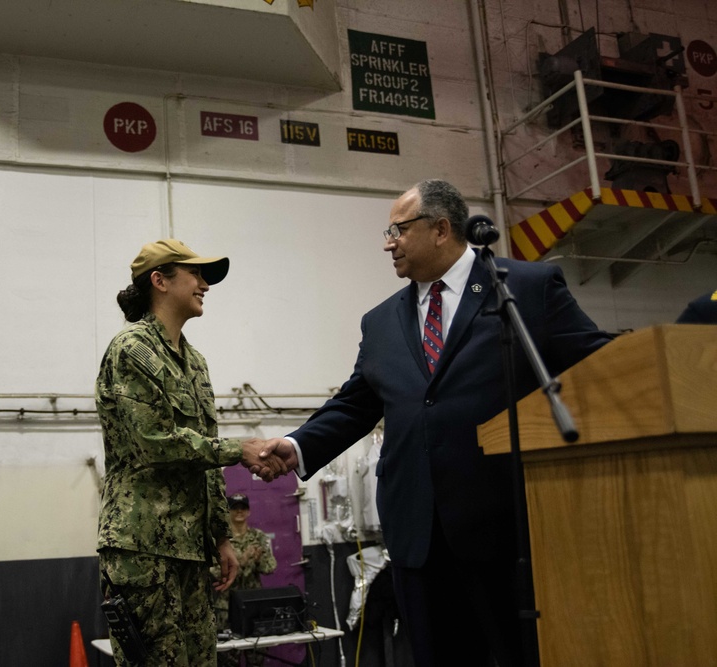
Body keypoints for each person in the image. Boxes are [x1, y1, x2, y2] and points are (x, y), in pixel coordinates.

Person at [257, 180, 613, 667]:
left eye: (398, 230)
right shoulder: (380, 322)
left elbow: (597, 366)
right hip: (417, 534)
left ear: (442, 228)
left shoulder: (524, 289)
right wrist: (296, 446)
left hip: (507, 527)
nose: (388, 243)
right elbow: (358, 403)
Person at [96, 239, 286, 666]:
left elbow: (204, 461)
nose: (205, 285)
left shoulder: (194, 362)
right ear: (159, 281)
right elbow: (155, 443)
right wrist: (240, 448)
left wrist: (220, 536)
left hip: (190, 550)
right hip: (143, 548)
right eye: (195, 274)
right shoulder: (132, 350)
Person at [215, 493, 276, 667]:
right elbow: (214, 572)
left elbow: (270, 567)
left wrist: (258, 559)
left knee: (256, 659)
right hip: (226, 609)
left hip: (253, 606)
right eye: (234, 508)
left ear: (248, 511)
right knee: (227, 661)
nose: (239, 512)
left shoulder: (259, 537)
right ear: (227, 511)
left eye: (243, 508)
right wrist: (242, 559)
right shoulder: (220, 541)